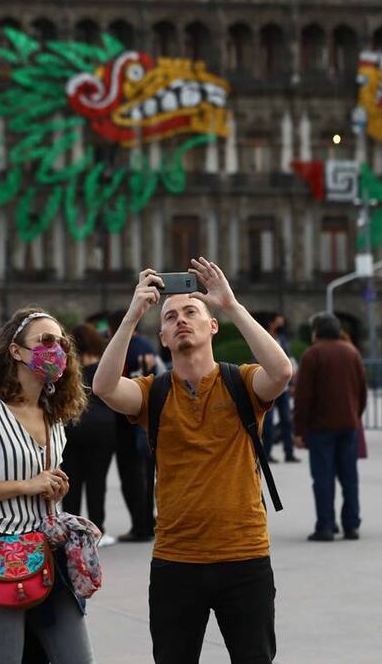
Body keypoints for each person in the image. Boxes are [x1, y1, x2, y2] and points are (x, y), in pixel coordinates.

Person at [93, 259, 293, 664]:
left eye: (191, 312)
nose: (181, 320)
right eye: (170, 317)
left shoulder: (242, 382)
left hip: (245, 556)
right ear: (163, 337)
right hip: (176, 560)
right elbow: (104, 387)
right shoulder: (154, 393)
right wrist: (133, 315)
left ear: (212, 326)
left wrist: (231, 305)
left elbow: (282, 370)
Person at [0, 307, 94, 662]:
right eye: (45, 341)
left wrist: (54, 488)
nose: (55, 349)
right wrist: (25, 485)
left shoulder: (54, 415)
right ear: (15, 351)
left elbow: (42, 482)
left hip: (53, 556)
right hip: (1, 559)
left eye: (60, 343)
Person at [292, 312, 367, 543]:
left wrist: (299, 430)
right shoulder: (352, 352)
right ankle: (351, 525)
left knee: (323, 478)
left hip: (321, 427)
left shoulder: (312, 354)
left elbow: (303, 396)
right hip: (348, 425)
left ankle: (325, 526)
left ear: (317, 331)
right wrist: (355, 415)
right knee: (349, 476)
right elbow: (362, 390)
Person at [61, 324, 119, 546]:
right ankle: (97, 531)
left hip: (71, 427)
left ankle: (70, 532)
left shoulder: (67, 370)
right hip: (102, 429)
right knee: (97, 481)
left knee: (70, 481)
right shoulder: (103, 368)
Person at [107, 311, 157, 543]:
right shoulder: (146, 344)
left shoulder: (122, 348)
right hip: (151, 417)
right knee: (147, 474)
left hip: (126, 420)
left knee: (131, 476)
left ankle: (140, 525)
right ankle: (149, 520)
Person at [262, 313, 299, 463]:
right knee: (268, 423)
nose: (281, 327)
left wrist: (292, 384)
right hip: (270, 387)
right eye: (279, 323)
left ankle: (289, 453)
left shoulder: (283, 340)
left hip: (283, 389)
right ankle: (267, 453)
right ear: (271, 324)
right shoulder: (262, 338)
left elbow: (289, 361)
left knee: (286, 421)